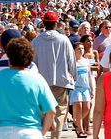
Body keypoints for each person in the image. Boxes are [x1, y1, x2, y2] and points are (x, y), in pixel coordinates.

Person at [0, 38, 57, 139]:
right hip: (30, 132)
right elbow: (51, 111)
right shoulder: (38, 79)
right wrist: (42, 132)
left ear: (9, 58)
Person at [32, 11, 77, 139]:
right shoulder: (64, 40)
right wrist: (74, 77)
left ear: (43, 24)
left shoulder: (36, 41)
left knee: (41, 113)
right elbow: (71, 61)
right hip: (60, 82)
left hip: (41, 82)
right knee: (59, 114)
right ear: (56, 24)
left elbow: (32, 63)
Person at [69, 42, 93, 138]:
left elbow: (90, 75)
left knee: (87, 107)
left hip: (85, 87)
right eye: (78, 48)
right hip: (76, 87)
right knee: (78, 106)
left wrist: (92, 88)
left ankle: (76, 122)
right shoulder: (71, 61)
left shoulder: (86, 61)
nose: (81, 50)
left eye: (82, 48)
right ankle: (80, 130)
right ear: (74, 50)